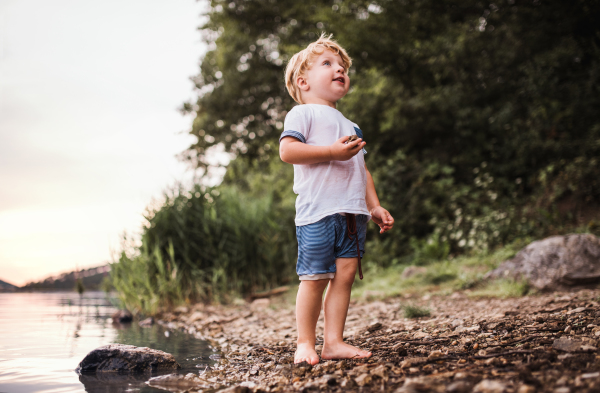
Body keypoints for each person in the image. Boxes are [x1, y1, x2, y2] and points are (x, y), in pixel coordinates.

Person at [279, 34, 394, 365]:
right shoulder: (302, 114)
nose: (339, 68)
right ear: (303, 81)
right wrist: (332, 151)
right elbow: (288, 151)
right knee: (314, 278)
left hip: (353, 214)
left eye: (342, 65)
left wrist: (373, 205)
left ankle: (333, 342)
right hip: (319, 213)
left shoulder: (350, 124)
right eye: (327, 63)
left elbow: (363, 167)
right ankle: (304, 343)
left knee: (344, 279)